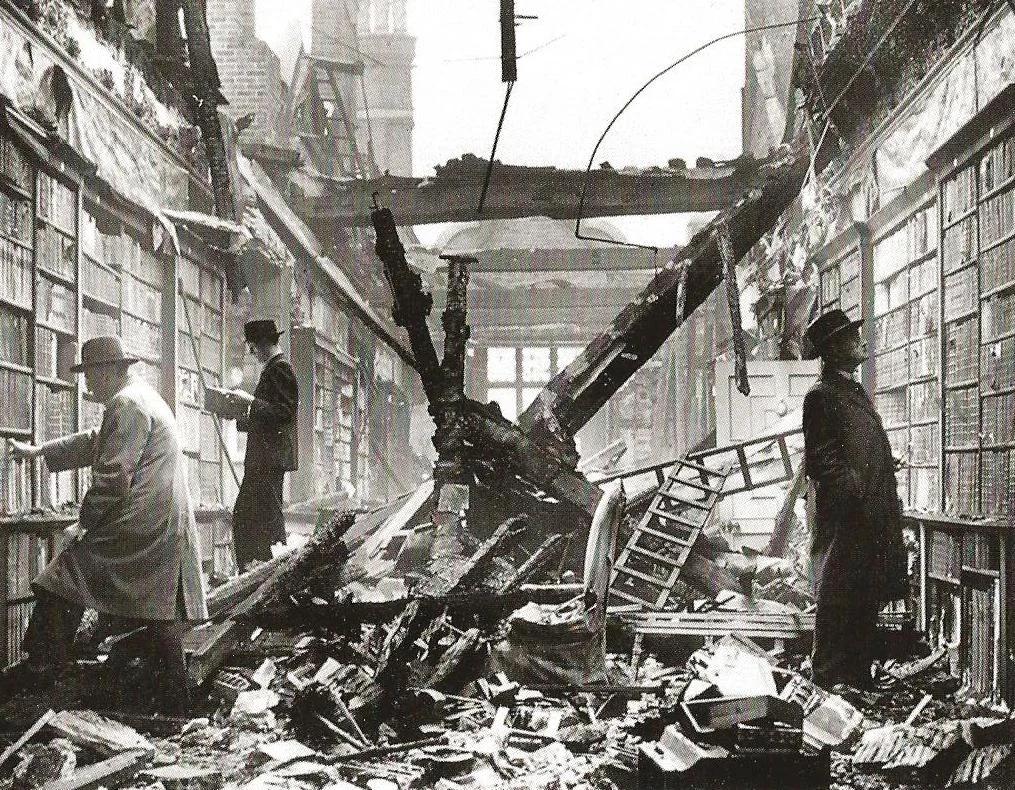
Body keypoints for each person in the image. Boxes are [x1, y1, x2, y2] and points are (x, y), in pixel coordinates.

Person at [4, 335, 207, 713]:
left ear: (111, 370)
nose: (87, 385)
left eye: (91, 375)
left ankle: (44, 675)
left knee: (61, 578)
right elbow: (100, 440)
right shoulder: (140, 396)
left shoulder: (126, 403)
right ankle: (178, 707)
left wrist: (84, 524)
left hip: (141, 525)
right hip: (159, 523)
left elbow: (113, 477)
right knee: (159, 612)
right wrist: (43, 450)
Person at [802, 309, 907, 691]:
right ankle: (828, 676)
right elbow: (821, 458)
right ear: (833, 349)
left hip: (870, 510)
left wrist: (879, 462)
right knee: (837, 594)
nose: (859, 342)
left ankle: (857, 677)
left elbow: (854, 445)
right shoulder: (820, 395)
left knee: (866, 591)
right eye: (850, 338)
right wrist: (855, 489)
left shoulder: (852, 390)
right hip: (847, 515)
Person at [226, 319, 298, 571]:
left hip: (268, 459)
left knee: (255, 517)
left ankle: (266, 569)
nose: (251, 352)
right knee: (256, 517)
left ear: (263, 344)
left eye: (252, 347)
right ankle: (261, 568)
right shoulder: (274, 369)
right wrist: (239, 415)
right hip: (266, 458)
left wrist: (250, 401)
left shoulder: (281, 369)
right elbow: (270, 417)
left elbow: (284, 413)